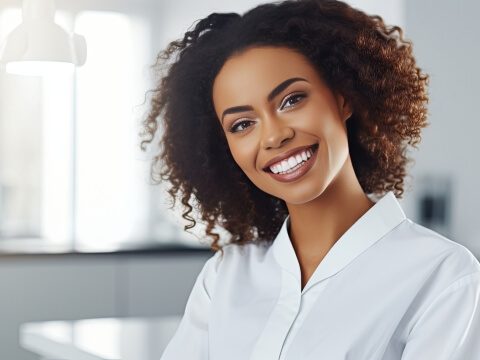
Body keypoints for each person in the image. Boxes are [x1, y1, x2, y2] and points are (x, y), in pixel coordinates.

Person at [140, 0, 480, 359]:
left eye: (291, 100)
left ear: (344, 97)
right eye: (242, 124)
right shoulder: (225, 278)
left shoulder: (444, 277)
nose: (273, 136)